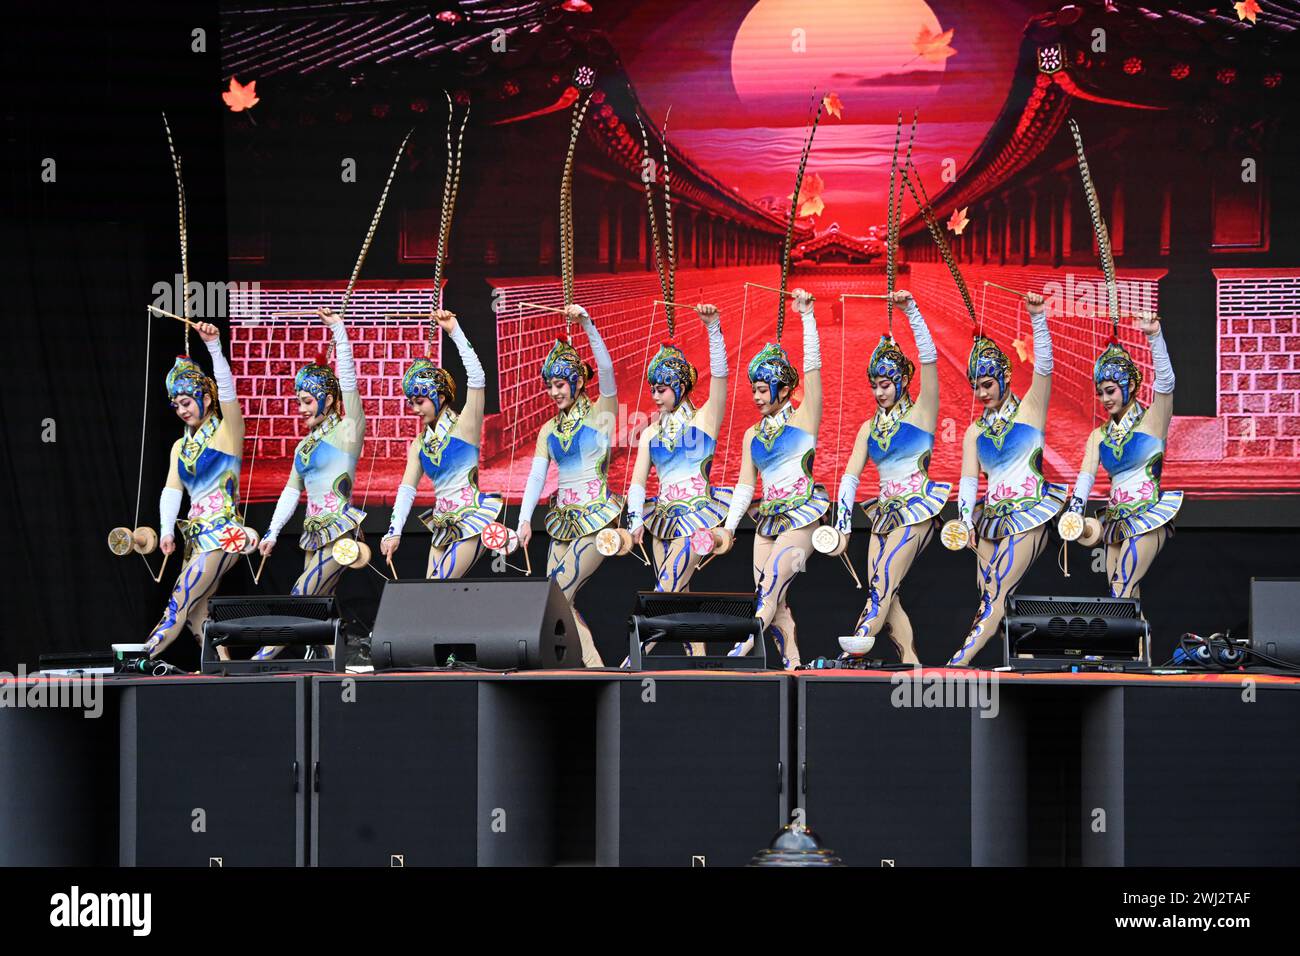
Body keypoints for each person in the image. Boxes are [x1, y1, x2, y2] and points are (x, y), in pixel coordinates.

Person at [947, 292, 1063, 666]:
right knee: (991, 593)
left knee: (994, 591)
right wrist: (965, 522)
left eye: (987, 385)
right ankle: (1026, 658)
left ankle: (960, 660)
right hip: (992, 520)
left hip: (1030, 513)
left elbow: (1044, 368)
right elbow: (968, 482)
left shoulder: (1030, 410)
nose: (981, 394)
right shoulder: (974, 431)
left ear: (1005, 378)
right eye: (976, 387)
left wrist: (1037, 318)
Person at [834, 290, 948, 664]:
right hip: (883, 513)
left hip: (917, 509)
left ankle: (853, 649)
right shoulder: (869, 427)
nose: (878, 392)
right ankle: (911, 663)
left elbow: (929, 362)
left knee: (881, 586)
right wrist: (843, 525)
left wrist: (911, 311)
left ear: (901, 382)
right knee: (885, 592)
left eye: (885, 385)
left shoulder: (922, 414)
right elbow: (850, 475)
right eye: (874, 385)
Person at [254, 307, 365, 659]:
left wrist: (340, 334)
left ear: (328, 400)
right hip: (313, 535)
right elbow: (291, 490)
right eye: (298, 401)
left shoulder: (348, 432)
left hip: (341, 532)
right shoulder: (304, 445)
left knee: (302, 594)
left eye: (306, 401)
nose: (300, 409)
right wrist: (272, 532)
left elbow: (349, 384)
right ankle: (342, 665)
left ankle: (261, 658)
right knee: (319, 606)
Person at [722, 289, 824, 670]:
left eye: (763, 390)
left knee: (769, 588)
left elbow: (813, 371)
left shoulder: (804, 419)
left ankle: (742, 644)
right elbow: (746, 487)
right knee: (774, 599)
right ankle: (793, 666)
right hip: (766, 521)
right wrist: (730, 529)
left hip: (803, 519)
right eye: (754, 390)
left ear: (783, 389)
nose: (756, 397)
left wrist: (807, 318)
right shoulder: (752, 434)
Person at [623, 304, 730, 658]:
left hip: (697, 520)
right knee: (678, 596)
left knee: (664, 591)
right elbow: (638, 483)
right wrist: (636, 519)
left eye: (663, 388)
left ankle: (632, 657)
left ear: (681, 387)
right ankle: (700, 666)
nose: (655, 395)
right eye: (652, 388)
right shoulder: (651, 432)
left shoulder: (704, 421)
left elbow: (720, 379)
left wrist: (713, 329)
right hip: (662, 521)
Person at [516, 305, 621, 667]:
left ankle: (594, 669)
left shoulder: (600, 416)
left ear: (576, 382)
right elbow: (536, 476)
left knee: (556, 595)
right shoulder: (549, 429)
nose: (553, 393)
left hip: (597, 519)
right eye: (549, 386)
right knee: (556, 600)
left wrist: (588, 324)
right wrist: (524, 520)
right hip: (562, 521)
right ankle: (588, 667)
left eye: (559, 385)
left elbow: (606, 371)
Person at [1062, 313, 1180, 598]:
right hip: (1115, 521)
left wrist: (1154, 337)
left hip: (1149, 515)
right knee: (1126, 601)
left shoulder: (1152, 422)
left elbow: (1165, 382)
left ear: (1128, 385)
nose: (1105, 400)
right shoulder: (1098, 436)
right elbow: (1085, 479)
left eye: (1111, 391)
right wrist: (1074, 514)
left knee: (1121, 589)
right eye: (1100, 393)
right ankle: (1141, 644)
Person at [145, 322, 244, 659]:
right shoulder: (180, 446)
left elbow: (229, 394)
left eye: (187, 401)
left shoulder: (227, 434)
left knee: (179, 599)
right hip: (197, 537)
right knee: (196, 615)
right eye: (176, 405)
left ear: (206, 396)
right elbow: (172, 489)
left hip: (225, 532)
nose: (182, 410)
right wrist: (166, 530)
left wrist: (214, 347)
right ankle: (224, 676)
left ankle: (138, 658)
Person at [380, 310, 501, 578]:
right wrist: (394, 532)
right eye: (411, 402)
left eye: (419, 401)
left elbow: (477, 378)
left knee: (437, 587)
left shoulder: (465, 426)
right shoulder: (419, 444)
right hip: (442, 526)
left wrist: (454, 331)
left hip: (471, 520)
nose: (414, 409)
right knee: (432, 602)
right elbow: (406, 490)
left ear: (441, 397)